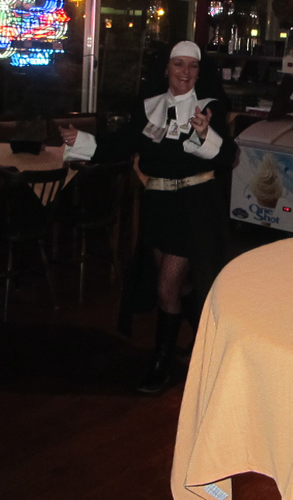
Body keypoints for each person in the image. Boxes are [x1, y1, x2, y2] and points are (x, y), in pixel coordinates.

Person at [60, 40, 236, 394]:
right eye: (178, 64)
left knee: (166, 287)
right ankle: (205, 337)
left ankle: (161, 364)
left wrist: (205, 133)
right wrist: (81, 140)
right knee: (180, 285)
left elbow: (227, 156)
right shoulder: (149, 107)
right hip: (159, 204)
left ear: (199, 72)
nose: (185, 72)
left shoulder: (208, 107)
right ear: (166, 69)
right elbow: (121, 144)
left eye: (192, 66)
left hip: (194, 206)